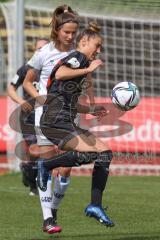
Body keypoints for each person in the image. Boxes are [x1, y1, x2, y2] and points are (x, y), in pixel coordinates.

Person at [23, 5, 113, 234]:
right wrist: (87, 69)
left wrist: (89, 109)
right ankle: (48, 214)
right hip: (51, 118)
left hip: (66, 117)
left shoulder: (79, 56)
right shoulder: (70, 56)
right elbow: (56, 74)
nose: (70, 36)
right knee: (82, 155)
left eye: (74, 32)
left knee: (99, 155)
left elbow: (68, 95)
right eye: (97, 46)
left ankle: (90, 206)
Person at [7, 38, 49, 196]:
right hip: (28, 117)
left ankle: (38, 178)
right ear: (34, 50)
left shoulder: (53, 69)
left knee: (48, 151)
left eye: (44, 48)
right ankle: (32, 181)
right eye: (38, 48)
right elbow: (11, 88)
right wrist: (21, 101)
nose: (41, 51)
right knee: (35, 150)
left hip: (47, 116)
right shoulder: (25, 70)